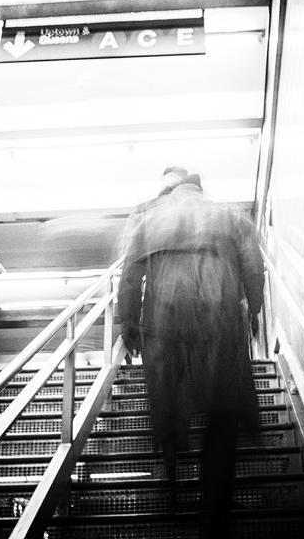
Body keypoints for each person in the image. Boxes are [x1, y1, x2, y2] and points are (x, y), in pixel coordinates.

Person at [118, 173, 264, 535]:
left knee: (167, 404)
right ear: (200, 190)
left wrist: (129, 324)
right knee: (223, 412)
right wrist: (255, 308)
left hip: (163, 321)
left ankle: (170, 482)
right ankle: (212, 512)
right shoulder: (228, 215)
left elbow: (130, 276)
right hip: (220, 318)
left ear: (171, 192)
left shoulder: (148, 218)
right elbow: (253, 264)